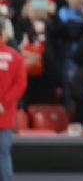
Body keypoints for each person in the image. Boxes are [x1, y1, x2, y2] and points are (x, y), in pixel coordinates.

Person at [0, 18, 26, 181]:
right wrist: (4, 103)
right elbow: (21, 85)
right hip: (5, 115)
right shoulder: (15, 57)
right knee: (3, 156)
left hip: (5, 114)